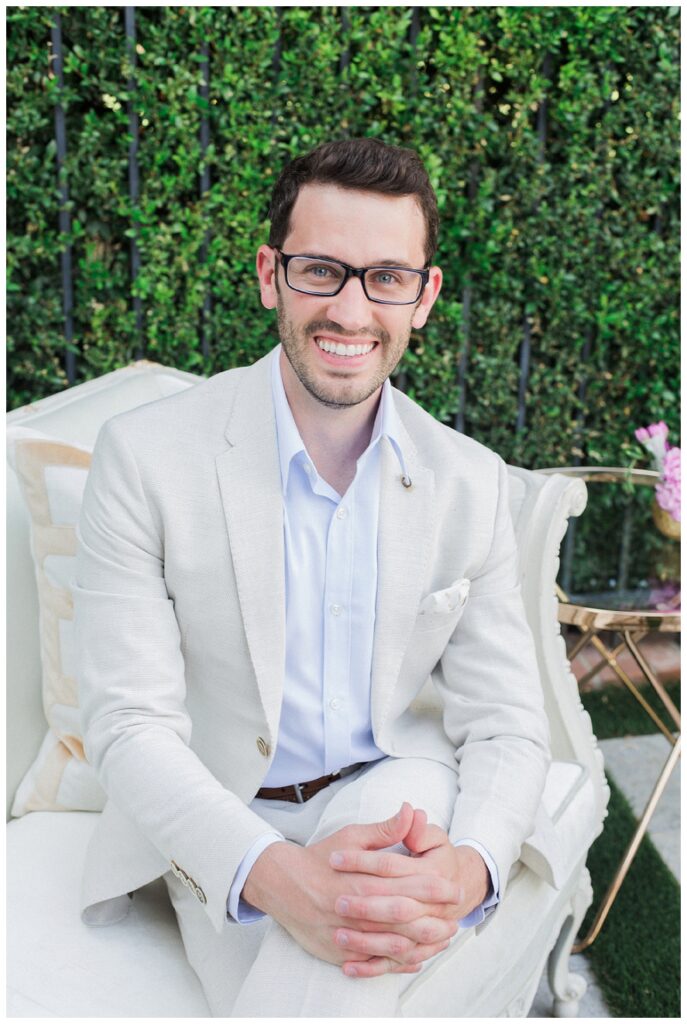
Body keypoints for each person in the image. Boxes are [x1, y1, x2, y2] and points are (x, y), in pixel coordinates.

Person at [75, 137, 553, 1017]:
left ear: (424, 297)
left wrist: (470, 863)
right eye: (320, 270)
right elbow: (127, 723)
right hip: (226, 819)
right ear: (270, 275)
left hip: (394, 791)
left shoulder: (470, 481)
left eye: (385, 278)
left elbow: (508, 724)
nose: (350, 309)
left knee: (375, 918)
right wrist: (278, 877)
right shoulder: (144, 458)